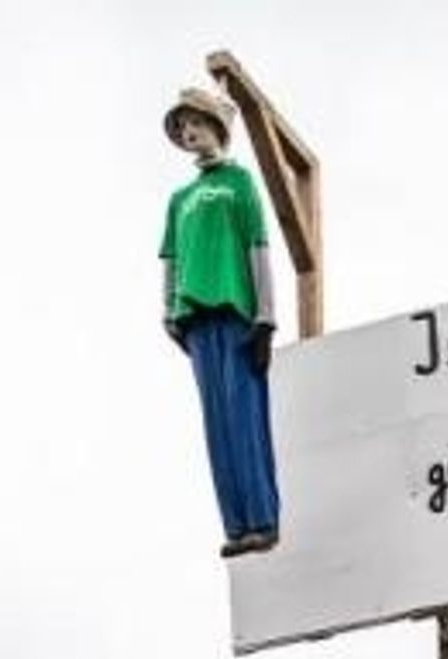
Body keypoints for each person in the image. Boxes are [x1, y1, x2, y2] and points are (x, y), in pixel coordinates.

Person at [160, 86, 282, 557]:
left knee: (244, 415)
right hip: (195, 319)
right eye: (182, 127)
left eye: (195, 122)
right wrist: (168, 310)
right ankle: (236, 525)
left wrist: (267, 316)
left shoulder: (239, 183)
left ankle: (263, 518)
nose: (189, 132)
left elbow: (257, 246)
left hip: (236, 314)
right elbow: (169, 257)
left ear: (215, 126)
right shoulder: (179, 197)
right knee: (216, 424)